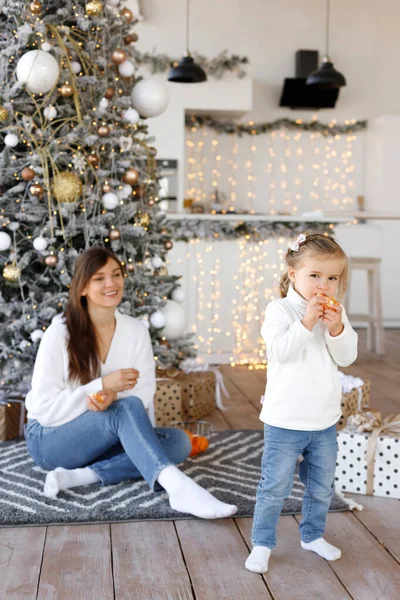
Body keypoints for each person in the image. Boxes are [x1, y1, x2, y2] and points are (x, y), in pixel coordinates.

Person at [25, 246, 237, 520]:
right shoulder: (59, 334)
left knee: (179, 443)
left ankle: (80, 476)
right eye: (99, 278)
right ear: (82, 288)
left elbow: (143, 392)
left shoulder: (136, 331)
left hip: (100, 439)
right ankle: (178, 487)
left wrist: (111, 398)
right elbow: (44, 410)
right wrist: (100, 387)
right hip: (49, 440)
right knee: (133, 420)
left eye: (116, 274)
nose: (111, 283)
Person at [245, 233, 358, 574]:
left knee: (321, 487)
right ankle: (263, 543)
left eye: (332, 278)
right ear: (293, 274)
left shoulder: (336, 313)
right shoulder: (279, 310)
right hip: (284, 420)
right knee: (274, 488)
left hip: (323, 420)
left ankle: (312, 535)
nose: (323, 285)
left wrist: (336, 328)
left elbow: (348, 357)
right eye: (315, 276)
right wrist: (307, 322)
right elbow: (281, 352)